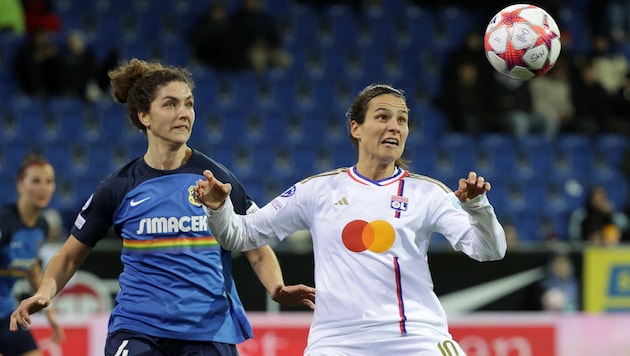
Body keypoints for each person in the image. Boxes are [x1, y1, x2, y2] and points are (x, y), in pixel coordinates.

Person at [10, 58, 315, 355]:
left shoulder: (218, 180)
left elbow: (257, 248)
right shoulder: (118, 187)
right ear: (144, 115)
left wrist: (277, 287)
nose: (184, 113)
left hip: (207, 330)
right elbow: (68, 258)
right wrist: (43, 293)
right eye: (170, 104)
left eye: (189, 104)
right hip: (138, 329)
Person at [195, 84, 507, 355]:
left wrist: (478, 207)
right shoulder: (318, 190)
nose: (395, 126)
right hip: (337, 340)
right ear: (356, 128)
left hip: (415, 335)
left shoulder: (428, 193)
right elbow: (239, 236)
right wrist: (218, 208)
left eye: (402, 119)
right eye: (383, 117)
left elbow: (489, 251)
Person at [1, 154, 65, 356]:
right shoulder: (4, 221)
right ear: (20, 185)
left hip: (5, 313)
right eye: (36, 181)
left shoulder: (42, 226)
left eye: (49, 182)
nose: (43, 187)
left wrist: (51, 315)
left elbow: (33, 269)